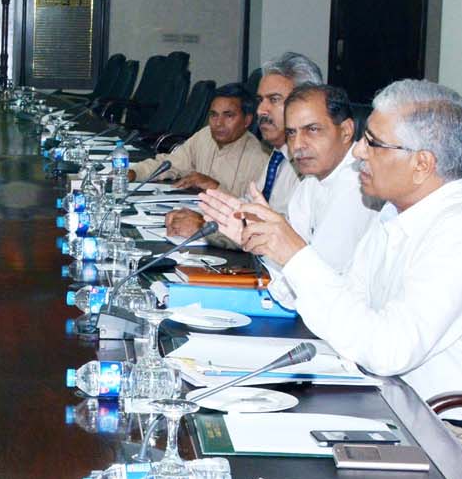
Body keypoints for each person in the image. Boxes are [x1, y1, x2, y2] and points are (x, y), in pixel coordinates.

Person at [230, 79, 462, 402]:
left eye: (373, 143)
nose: (358, 152)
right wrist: (273, 249)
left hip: (454, 427)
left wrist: (295, 255)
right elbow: (349, 305)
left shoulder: (461, 230)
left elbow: (389, 351)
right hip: (392, 398)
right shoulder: (394, 211)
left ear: (422, 164)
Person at [197, 83, 378, 298]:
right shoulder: (310, 183)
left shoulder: (358, 187)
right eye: (291, 133)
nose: (298, 145)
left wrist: (277, 243)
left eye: (312, 129)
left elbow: (322, 290)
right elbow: (287, 285)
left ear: (346, 131)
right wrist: (263, 241)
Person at [166, 52, 321, 238]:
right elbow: (249, 209)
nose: (261, 110)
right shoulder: (278, 155)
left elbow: (288, 235)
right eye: (260, 100)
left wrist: (204, 226)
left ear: (307, 105)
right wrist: (205, 218)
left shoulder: (311, 164)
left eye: (274, 99)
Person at [129, 83, 267, 195]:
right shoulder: (205, 135)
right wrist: (135, 173)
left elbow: (250, 215)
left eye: (228, 116)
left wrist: (215, 187)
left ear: (247, 120)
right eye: (214, 115)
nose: (218, 123)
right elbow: (170, 164)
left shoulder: (259, 160)